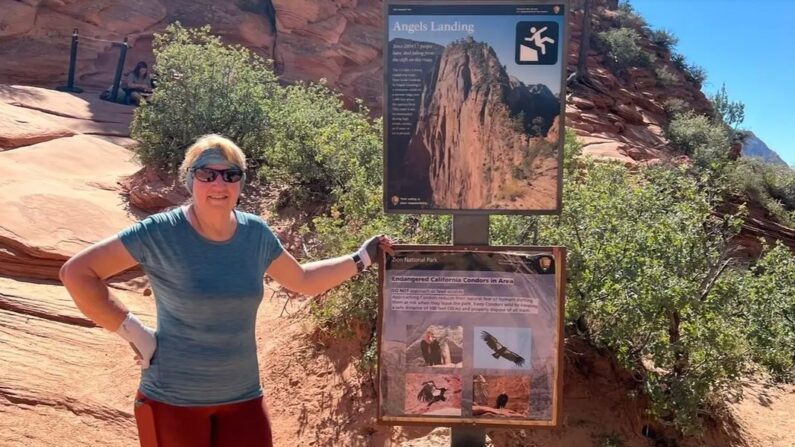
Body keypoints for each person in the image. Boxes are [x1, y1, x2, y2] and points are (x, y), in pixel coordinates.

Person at [59, 134, 394, 447]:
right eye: (207, 174)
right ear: (190, 179)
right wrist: (136, 333)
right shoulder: (160, 233)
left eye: (230, 175)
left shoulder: (255, 234)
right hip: (173, 400)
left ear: (241, 182)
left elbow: (303, 280)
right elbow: (77, 273)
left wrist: (362, 257)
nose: (219, 184)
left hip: (243, 398)